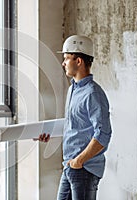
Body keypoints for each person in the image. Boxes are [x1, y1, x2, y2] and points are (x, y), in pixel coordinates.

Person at [36, 35, 112, 200]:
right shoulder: (73, 90)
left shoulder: (93, 93)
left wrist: (79, 161)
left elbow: (103, 133)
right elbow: (74, 125)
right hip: (70, 166)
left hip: (84, 169)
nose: (63, 63)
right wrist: (51, 134)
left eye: (66, 58)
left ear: (78, 61)